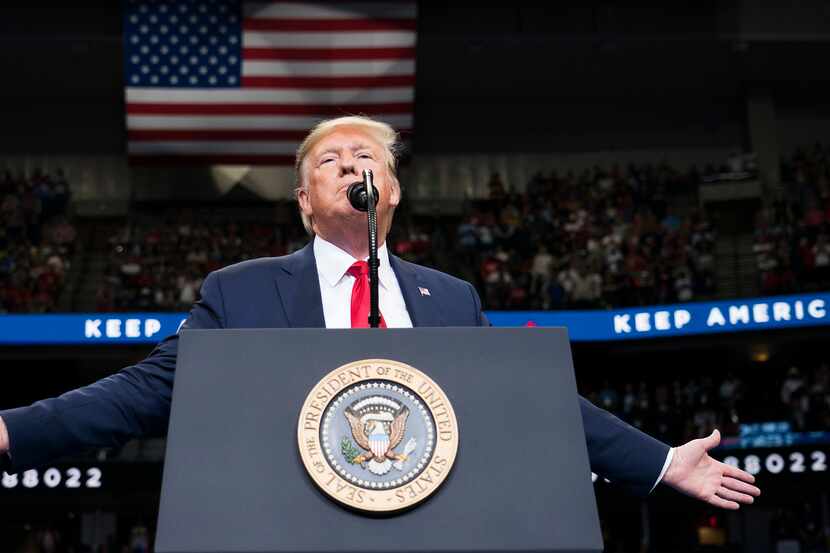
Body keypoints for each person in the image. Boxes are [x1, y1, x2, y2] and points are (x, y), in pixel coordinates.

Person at [0, 116, 759, 508]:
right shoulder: (242, 290)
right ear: (304, 203)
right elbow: (144, 391)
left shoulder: (449, 297)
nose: (350, 166)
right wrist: (13, 430)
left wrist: (660, 462)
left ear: (390, 190)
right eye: (328, 162)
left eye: (367, 158)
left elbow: (530, 401)